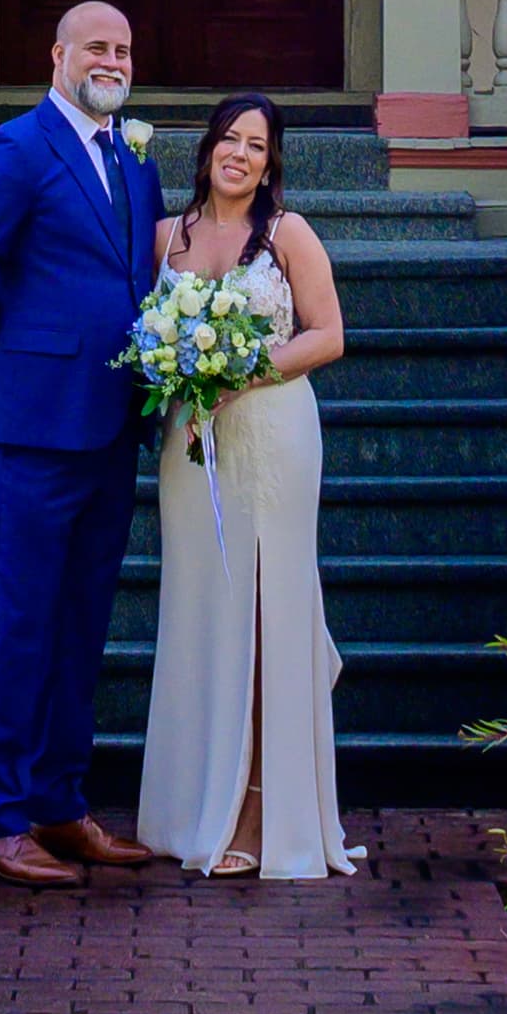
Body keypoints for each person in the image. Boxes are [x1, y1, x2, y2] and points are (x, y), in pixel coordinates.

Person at [0, 0, 168, 895]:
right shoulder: (17, 149)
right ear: (58, 52)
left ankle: (60, 802)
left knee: (82, 624)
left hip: (111, 423)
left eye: (126, 46)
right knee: (20, 621)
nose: (113, 58)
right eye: (97, 45)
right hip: (32, 423)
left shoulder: (135, 161)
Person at [132, 89, 358, 882]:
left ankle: (263, 813)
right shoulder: (165, 238)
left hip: (274, 435)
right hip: (192, 443)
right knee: (200, 608)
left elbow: (328, 334)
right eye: (229, 138)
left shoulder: (289, 234)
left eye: (256, 145)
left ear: (272, 162)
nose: (240, 154)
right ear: (207, 149)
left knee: (268, 607)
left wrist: (240, 374)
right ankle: (193, 804)